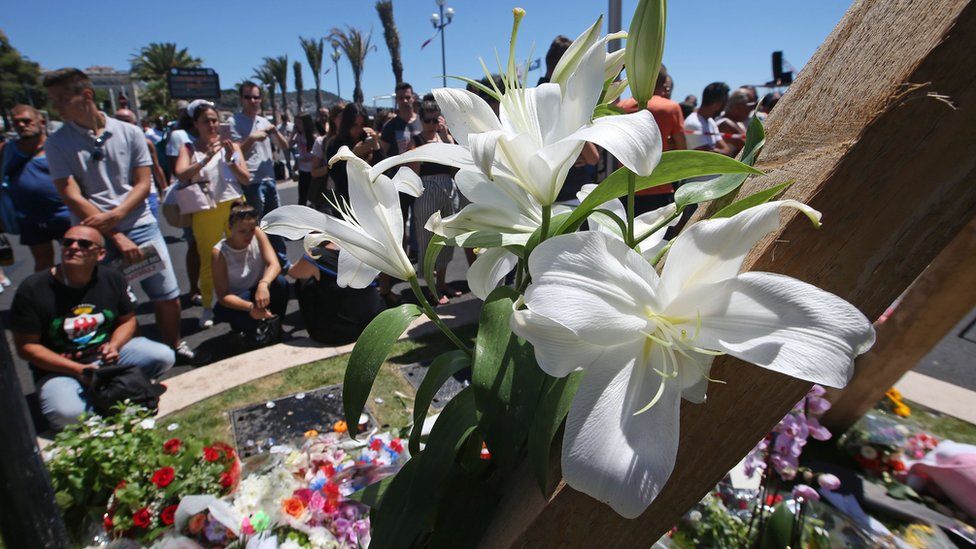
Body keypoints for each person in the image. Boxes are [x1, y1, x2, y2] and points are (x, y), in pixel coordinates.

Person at [42, 68, 200, 365]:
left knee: (166, 293)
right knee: (111, 302)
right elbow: (71, 194)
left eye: (62, 99)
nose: (56, 107)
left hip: (139, 225)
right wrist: (113, 233)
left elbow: (143, 182)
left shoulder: (129, 132)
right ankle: (130, 356)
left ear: (86, 96)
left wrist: (117, 214)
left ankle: (174, 345)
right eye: (54, 101)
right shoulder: (56, 143)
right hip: (94, 234)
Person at [10, 224, 175, 429]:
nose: (73, 246)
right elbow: (26, 348)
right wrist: (77, 369)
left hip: (106, 358)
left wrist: (114, 345)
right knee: (68, 416)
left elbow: (128, 320)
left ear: (100, 253)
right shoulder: (33, 288)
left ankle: (108, 390)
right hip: (60, 369)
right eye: (67, 242)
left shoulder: (111, 277)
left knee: (163, 356)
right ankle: (110, 393)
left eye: (84, 243)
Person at [174, 100, 251, 328]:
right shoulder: (189, 148)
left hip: (235, 207)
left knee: (241, 255)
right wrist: (206, 158)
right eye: (205, 121)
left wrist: (230, 160)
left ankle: (241, 299)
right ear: (195, 124)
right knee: (209, 259)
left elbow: (246, 178)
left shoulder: (232, 147)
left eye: (215, 120)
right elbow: (180, 174)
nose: (212, 125)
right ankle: (208, 305)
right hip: (205, 210)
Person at [1, 104, 71, 271]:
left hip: (65, 215)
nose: (22, 126)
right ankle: (47, 296)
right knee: (42, 264)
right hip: (31, 218)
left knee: (75, 260)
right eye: (16, 123)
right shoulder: (6, 150)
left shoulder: (59, 146)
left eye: (26, 121)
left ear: (41, 121)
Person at [212, 201, 287, 345]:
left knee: (280, 283)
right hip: (238, 299)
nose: (248, 235)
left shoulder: (257, 234)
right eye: (242, 231)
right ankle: (245, 330)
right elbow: (222, 296)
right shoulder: (219, 252)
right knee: (236, 318)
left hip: (257, 291)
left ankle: (274, 324)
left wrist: (263, 284)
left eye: (251, 229)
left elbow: (274, 264)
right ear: (230, 227)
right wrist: (250, 308)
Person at [410, 100, 460, 303]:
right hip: (427, 189)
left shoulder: (445, 139)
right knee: (427, 239)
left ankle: (441, 283)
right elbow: (413, 172)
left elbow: (456, 165)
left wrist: (446, 139)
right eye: (427, 120)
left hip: (449, 189)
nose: (432, 124)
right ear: (421, 120)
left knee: (447, 239)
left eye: (435, 119)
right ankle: (431, 288)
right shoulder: (416, 140)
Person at [617, 65, 687, 213]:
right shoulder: (670, 107)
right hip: (659, 185)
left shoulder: (621, 107)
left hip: (625, 185)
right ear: (665, 84)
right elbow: (682, 149)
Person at [289, 239, 384, 345]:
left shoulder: (317, 255)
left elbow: (293, 272)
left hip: (340, 334)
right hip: (374, 323)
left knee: (303, 282)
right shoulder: (362, 248)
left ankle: (318, 324)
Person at [231, 81, 289, 218]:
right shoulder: (234, 122)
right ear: (241, 99)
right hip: (251, 182)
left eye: (256, 97)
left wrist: (275, 131)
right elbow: (234, 154)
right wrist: (252, 138)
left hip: (270, 179)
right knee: (256, 224)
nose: (253, 101)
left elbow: (284, 146)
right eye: (248, 97)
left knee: (275, 223)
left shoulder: (264, 121)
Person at [167, 104, 202, 305]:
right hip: (192, 197)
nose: (211, 124)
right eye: (205, 119)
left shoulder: (217, 137)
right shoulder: (180, 137)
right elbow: (177, 170)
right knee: (194, 244)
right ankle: (194, 288)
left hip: (217, 197)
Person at [115, 108, 168, 219]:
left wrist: (165, 189)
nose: (122, 124)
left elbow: (156, 167)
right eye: (118, 121)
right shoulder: (108, 146)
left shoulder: (146, 143)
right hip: (120, 197)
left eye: (126, 121)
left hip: (148, 195)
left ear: (134, 123)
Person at [325, 103, 380, 205]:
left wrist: (376, 146)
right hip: (348, 202)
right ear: (346, 124)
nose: (359, 130)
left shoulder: (368, 140)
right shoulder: (335, 145)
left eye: (362, 125)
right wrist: (354, 155)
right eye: (354, 125)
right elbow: (338, 178)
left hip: (372, 200)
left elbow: (383, 172)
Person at [684, 82, 734, 156]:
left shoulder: (710, 122)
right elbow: (706, 156)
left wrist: (713, 151)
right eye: (725, 104)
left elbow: (727, 150)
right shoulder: (693, 124)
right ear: (717, 104)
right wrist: (715, 151)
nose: (725, 109)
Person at [716, 88, 755, 157]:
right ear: (737, 105)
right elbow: (751, 148)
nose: (752, 109)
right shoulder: (725, 124)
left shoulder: (738, 122)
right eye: (750, 105)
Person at [292, 113, 318, 206]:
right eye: (296, 123)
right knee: (302, 197)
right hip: (302, 170)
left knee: (314, 197)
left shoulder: (314, 137)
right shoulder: (298, 136)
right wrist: (293, 133)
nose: (297, 126)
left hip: (312, 170)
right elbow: (288, 145)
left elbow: (317, 154)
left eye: (299, 123)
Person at [278, 113, 295, 180]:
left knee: (296, 157)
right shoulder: (279, 127)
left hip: (293, 144)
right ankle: (290, 173)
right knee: (287, 160)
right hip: (285, 146)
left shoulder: (291, 125)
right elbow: (278, 138)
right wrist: (279, 147)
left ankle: (295, 170)